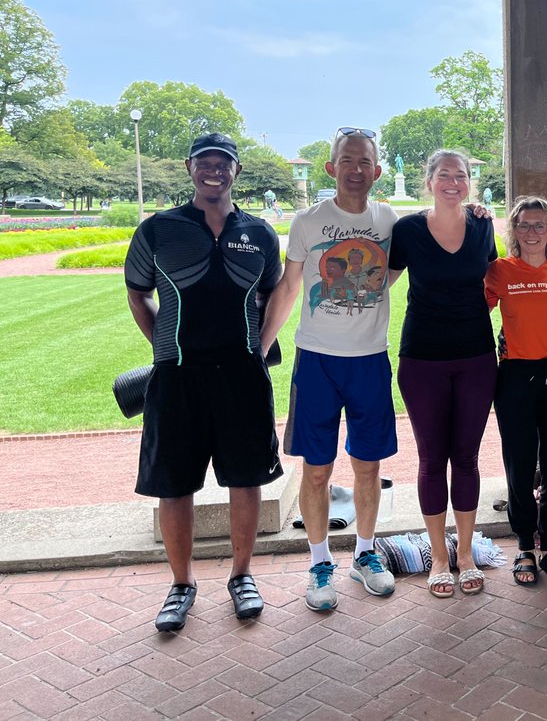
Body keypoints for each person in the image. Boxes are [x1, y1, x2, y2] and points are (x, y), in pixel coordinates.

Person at [124, 132, 283, 632]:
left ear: (237, 170)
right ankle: (181, 584)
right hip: (177, 375)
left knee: (246, 478)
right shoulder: (159, 230)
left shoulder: (259, 233)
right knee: (173, 485)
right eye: (205, 163)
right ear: (189, 167)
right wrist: (164, 347)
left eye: (223, 163)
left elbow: (271, 295)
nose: (214, 171)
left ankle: (242, 576)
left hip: (242, 372)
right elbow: (138, 294)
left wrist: (258, 347)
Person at [259, 127, 399, 613]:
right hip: (317, 360)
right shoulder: (308, 221)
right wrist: (261, 348)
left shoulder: (389, 220)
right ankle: (319, 563)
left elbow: (394, 271)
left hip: (370, 359)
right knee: (316, 470)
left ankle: (364, 554)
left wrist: (476, 212)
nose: (355, 170)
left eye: (364, 162)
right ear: (331, 167)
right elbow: (288, 287)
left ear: (377, 171)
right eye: (347, 160)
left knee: (368, 467)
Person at [389, 149, 497, 598]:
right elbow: (379, 283)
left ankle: (466, 553)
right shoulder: (408, 229)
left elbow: (496, 280)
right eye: (445, 175)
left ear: (470, 182)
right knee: (432, 460)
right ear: (429, 180)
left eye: (462, 175)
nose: (454, 182)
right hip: (422, 360)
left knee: (466, 459)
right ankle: (438, 556)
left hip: (476, 357)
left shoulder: (483, 225)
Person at [484, 196, 547, 586]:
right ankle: (524, 543)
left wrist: (546, 327)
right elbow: (475, 312)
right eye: (524, 224)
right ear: (514, 230)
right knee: (519, 460)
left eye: (540, 225)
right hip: (516, 375)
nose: (532, 231)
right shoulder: (500, 270)